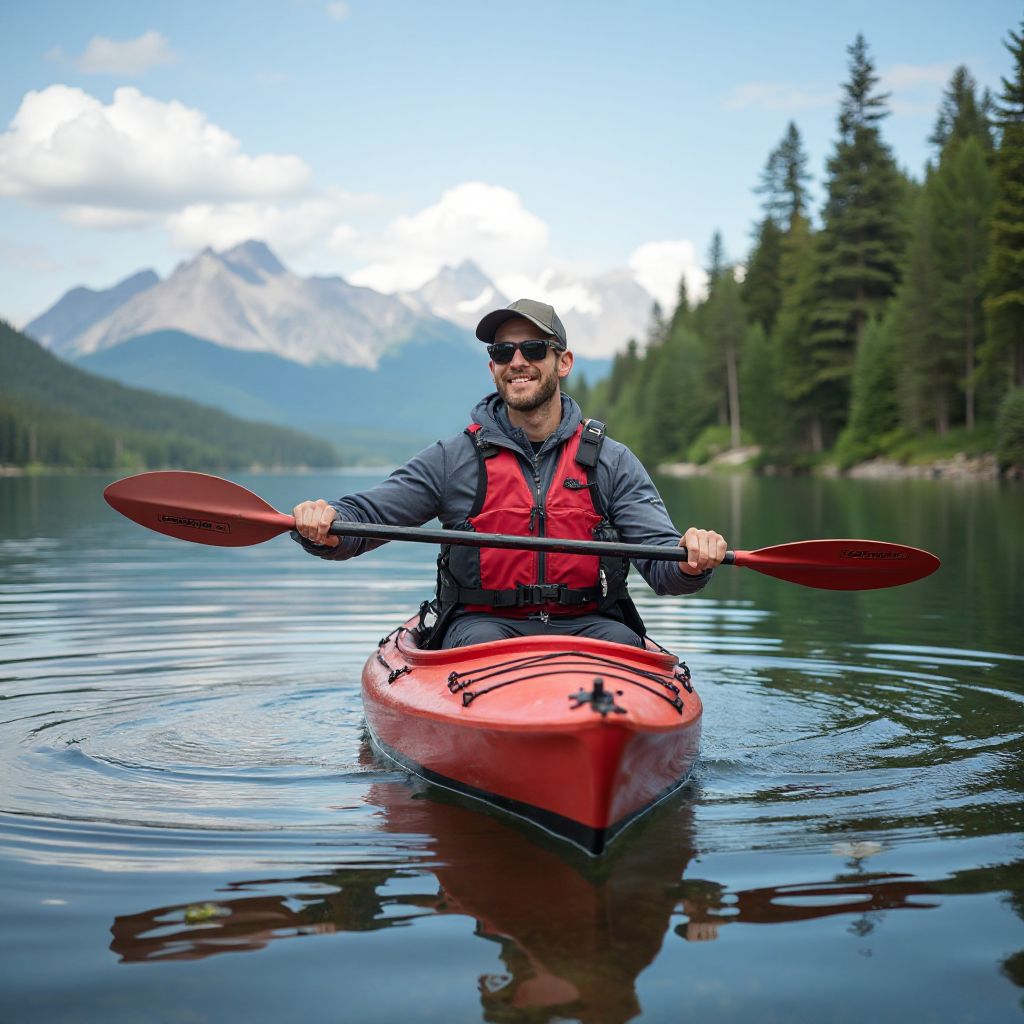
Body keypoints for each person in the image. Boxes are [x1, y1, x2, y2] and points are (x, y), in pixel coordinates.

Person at [292, 298, 727, 649]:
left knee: (622, 644)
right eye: (503, 352)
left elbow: (663, 566)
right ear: (492, 367)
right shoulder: (452, 459)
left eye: (533, 349)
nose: (517, 361)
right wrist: (326, 523)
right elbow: (366, 517)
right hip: (484, 628)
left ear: (563, 362)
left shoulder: (612, 462)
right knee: (479, 644)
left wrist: (692, 559)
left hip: (593, 627)